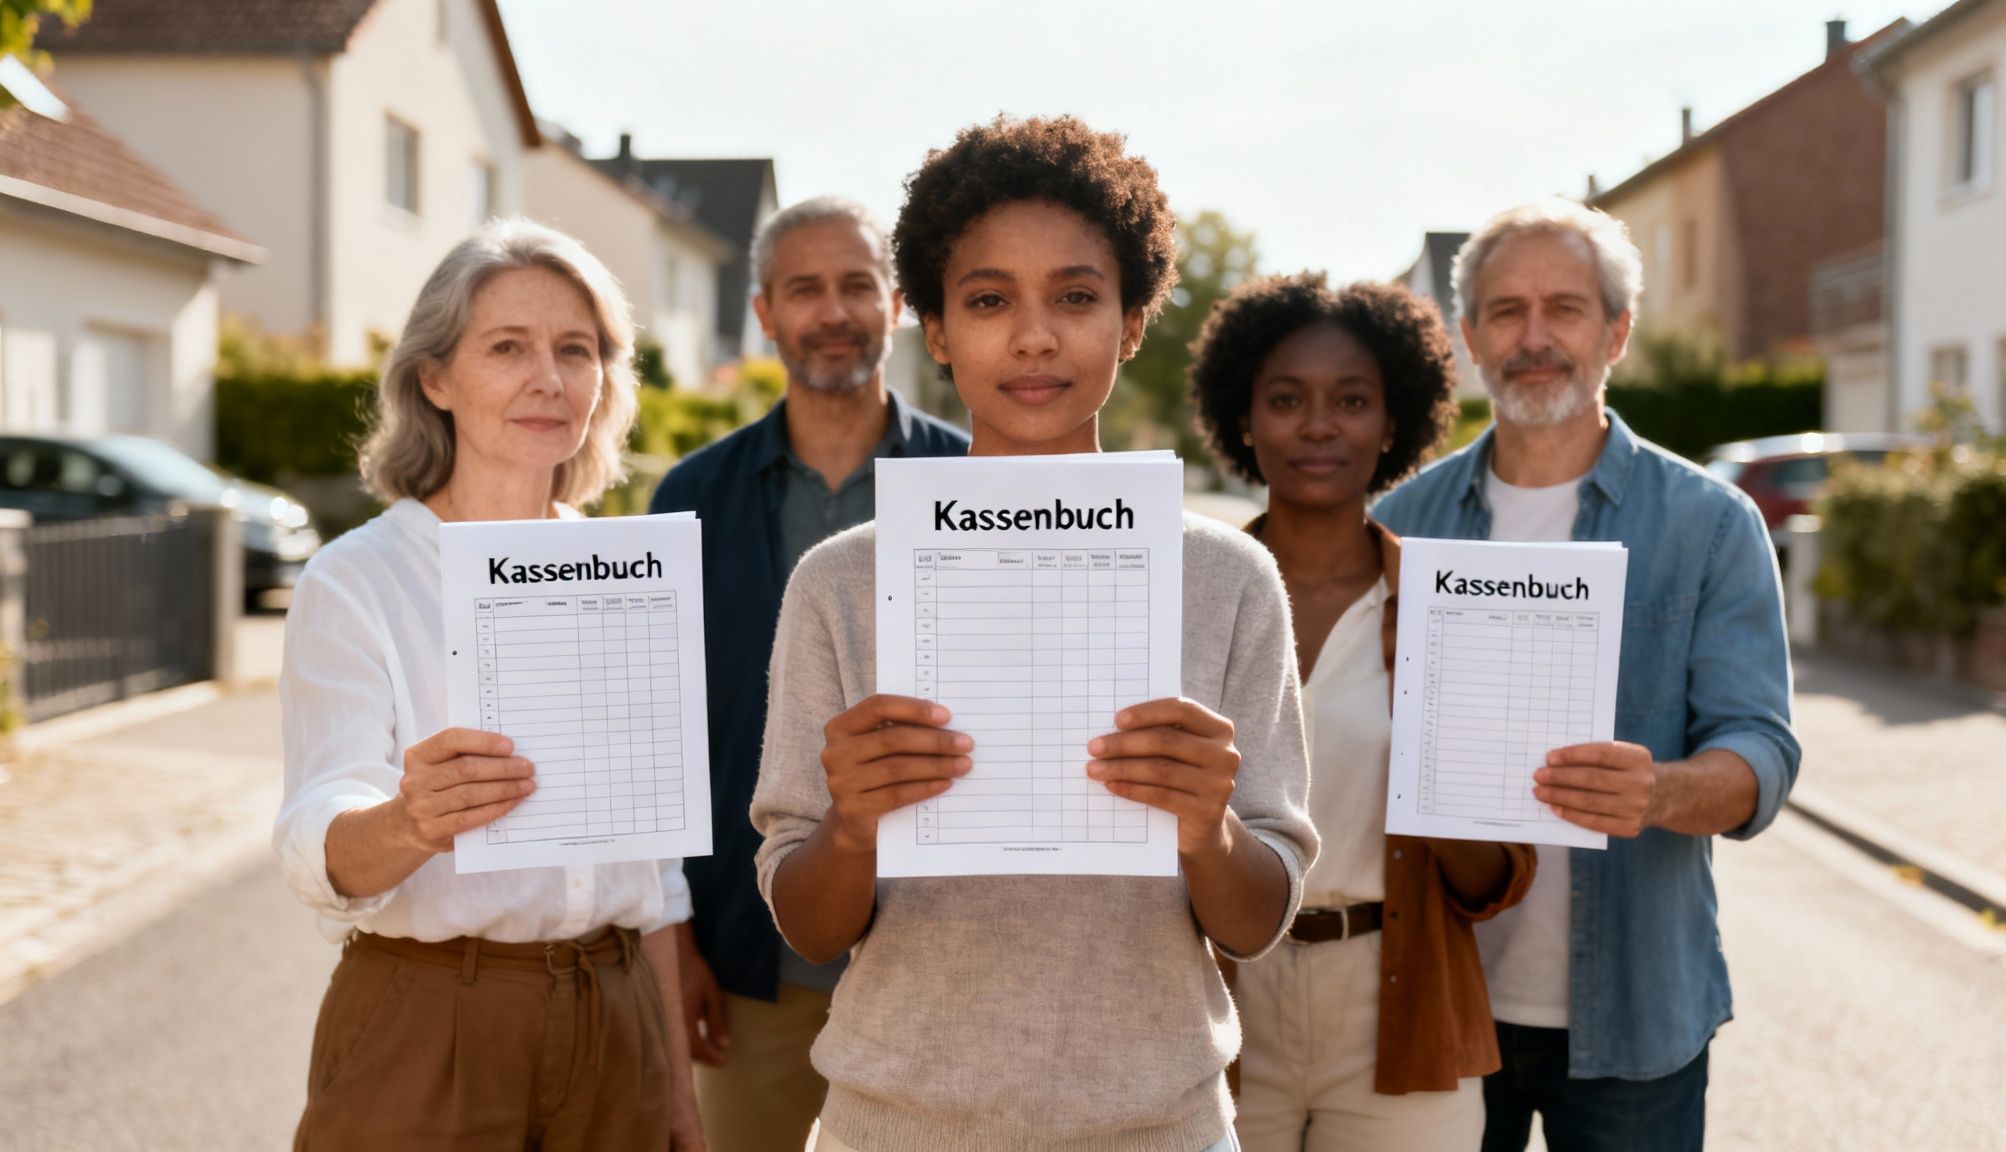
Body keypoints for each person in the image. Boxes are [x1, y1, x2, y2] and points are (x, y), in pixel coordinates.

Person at [750, 116, 1317, 1152]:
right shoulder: (840, 582)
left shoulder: (1228, 577)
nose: (1033, 336)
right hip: (892, 1123)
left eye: (1074, 296)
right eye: (986, 300)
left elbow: (1257, 915)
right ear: (930, 325)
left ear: (1133, 319)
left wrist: (1208, 828)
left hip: (1157, 1124)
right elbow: (804, 919)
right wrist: (847, 826)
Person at [1370, 200, 1802, 1152]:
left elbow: (1762, 752)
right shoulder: (1400, 524)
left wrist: (1660, 790)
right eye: (1506, 311)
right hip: (1445, 1004)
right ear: (1470, 335)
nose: (1534, 338)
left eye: (1563, 308)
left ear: (1617, 330)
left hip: (1638, 1015)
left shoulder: (1712, 525)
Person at [276, 218, 703, 1151]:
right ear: (436, 378)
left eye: (576, 350)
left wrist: (677, 1093)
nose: (548, 379)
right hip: (432, 1023)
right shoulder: (357, 579)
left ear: (605, 381)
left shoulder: (632, 574)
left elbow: (658, 875)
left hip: (617, 1018)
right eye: (508, 347)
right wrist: (409, 820)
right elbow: (318, 841)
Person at [1187, 272, 1538, 1151]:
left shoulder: (1452, 606)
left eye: (1351, 400)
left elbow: (1495, 878)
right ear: (1243, 417)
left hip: (1398, 996)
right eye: (1285, 399)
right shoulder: (1187, 598)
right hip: (1212, 996)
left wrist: (1443, 770)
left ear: (1393, 423)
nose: (1317, 425)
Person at [646, 196, 967, 1150]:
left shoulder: (975, 482)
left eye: (856, 285)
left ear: (897, 303)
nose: (833, 311)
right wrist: (676, 946)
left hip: (939, 957)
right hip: (750, 953)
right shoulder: (689, 499)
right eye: (805, 289)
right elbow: (658, 741)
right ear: (764, 315)